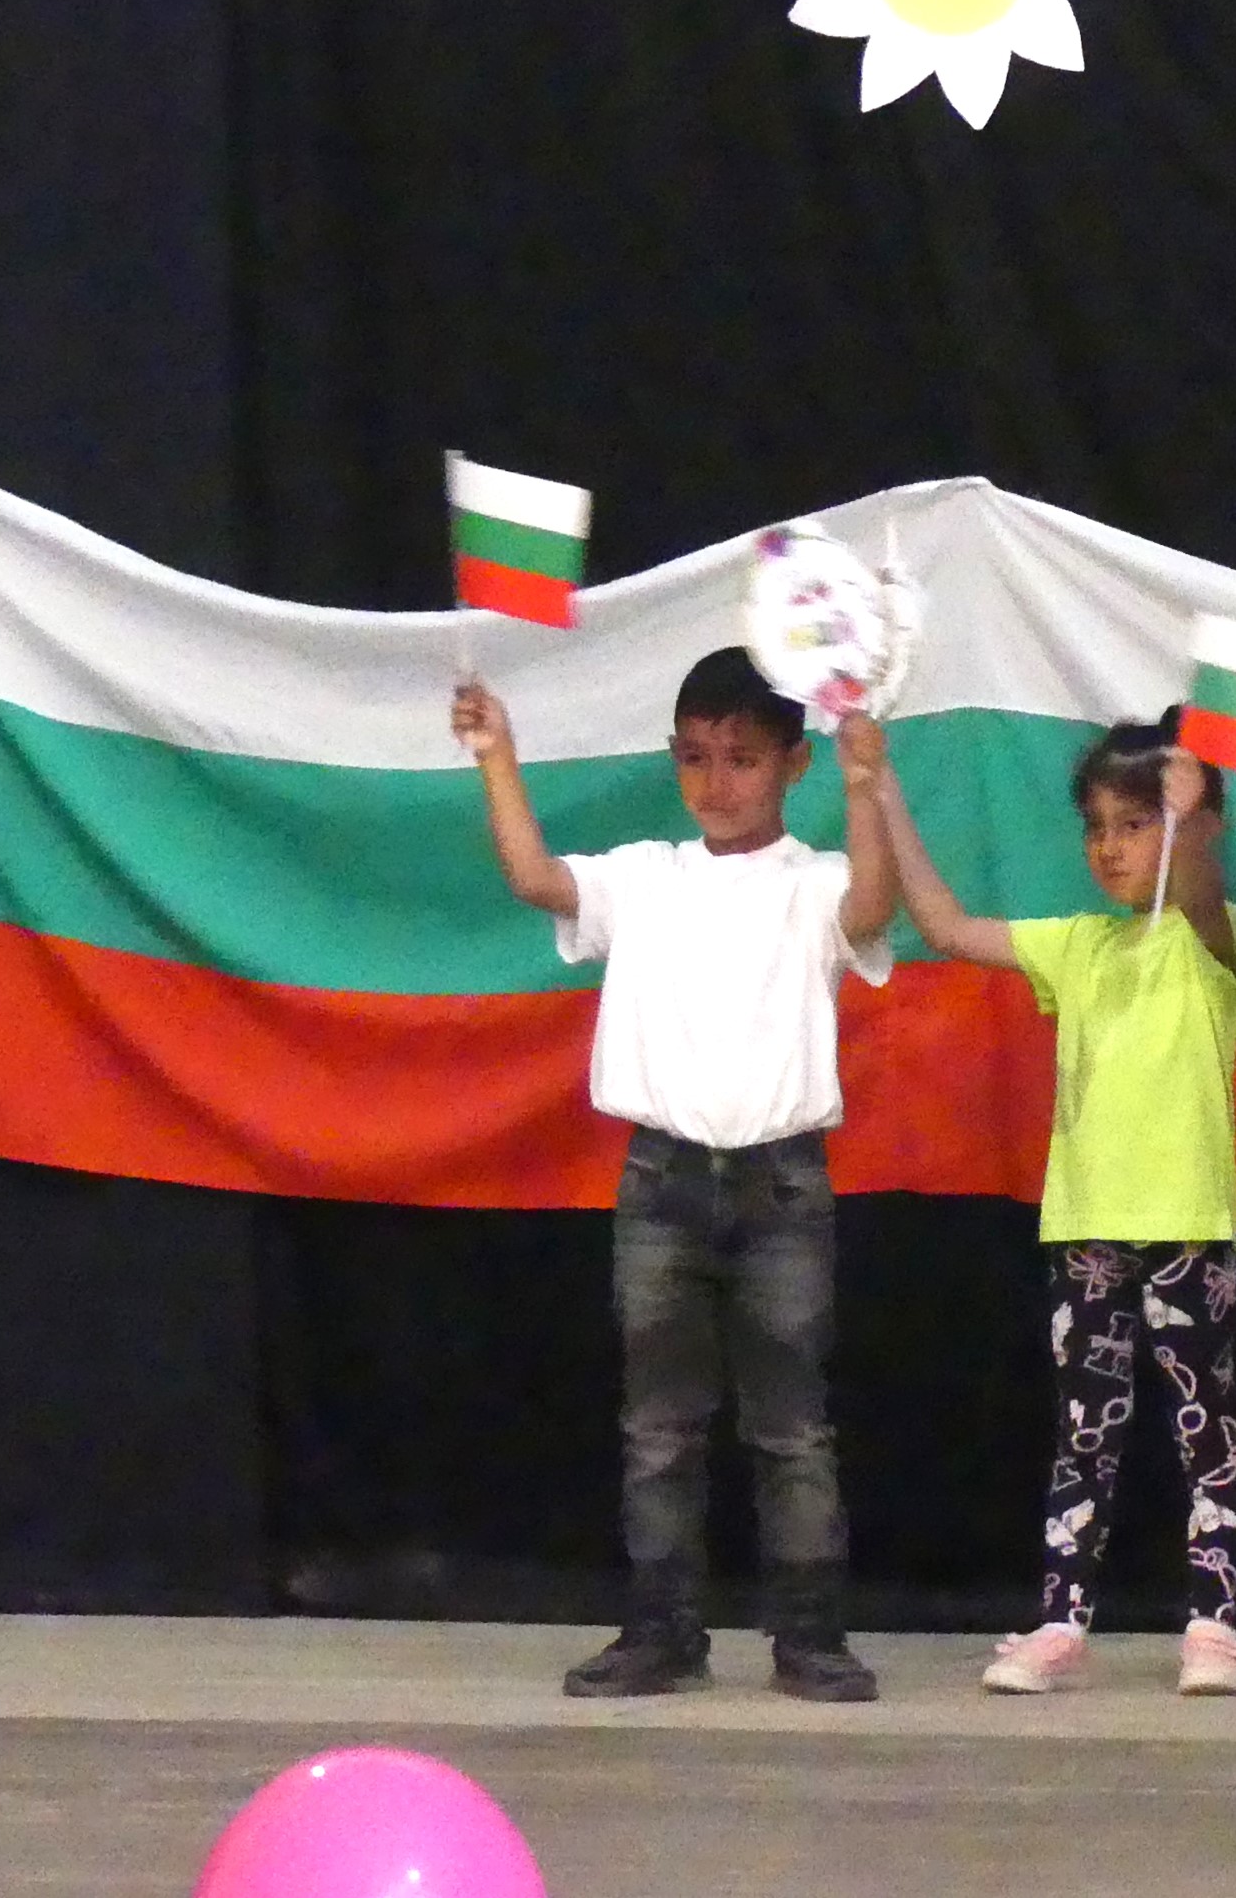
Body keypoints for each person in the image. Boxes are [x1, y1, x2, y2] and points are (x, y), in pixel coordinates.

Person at [450, 647, 897, 1703]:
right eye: (695, 757)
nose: (716, 780)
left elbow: (874, 909)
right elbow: (534, 877)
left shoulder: (814, 881)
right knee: (659, 1427)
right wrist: (497, 755)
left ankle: (810, 1636)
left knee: (792, 1428)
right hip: (659, 1182)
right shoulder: (644, 875)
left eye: (742, 758)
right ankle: (661, 1630)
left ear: (792, 764)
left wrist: (868, 784)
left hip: (782, 1185)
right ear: (672, 759)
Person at [863, 709, 1236, 1698]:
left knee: (1202, 1425)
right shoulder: (1080, 945)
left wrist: (1192, 822)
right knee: (1086, 1431)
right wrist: (880, 787)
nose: (1109, 847)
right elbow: (947, 927)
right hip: (1083, 1227)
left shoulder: (1214, 939)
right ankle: (1059, 1620)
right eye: (1097, 827)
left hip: (1184, 1223)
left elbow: (1201, 893)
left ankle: (1213, 1625)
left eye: (1135, 823)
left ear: (1187, 826)